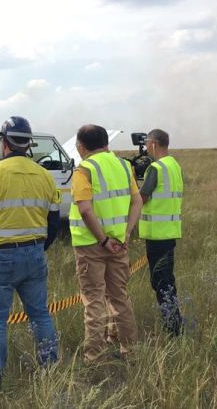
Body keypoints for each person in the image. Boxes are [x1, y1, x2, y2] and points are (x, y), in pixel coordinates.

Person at [0, 116, 61, 390]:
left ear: (5, 142)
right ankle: (50, 369)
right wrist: (40, 247)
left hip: (1, 257)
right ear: (28, 143)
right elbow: (53, 221)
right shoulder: (44, 175)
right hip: (34, 254)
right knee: (40, 315)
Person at [69, 124, 142, 362]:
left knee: (94, 300)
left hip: (92, 245)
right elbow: (137, 201)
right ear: (106, 143)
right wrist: (127, 233)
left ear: (81, 147)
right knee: (119, 297)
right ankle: (129, 350)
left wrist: (102, 240)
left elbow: (85, 209)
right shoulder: (124, 165)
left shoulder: (84, 170)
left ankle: (94, 356)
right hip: (119, 244)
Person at [138, 129, 184, 336]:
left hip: (157, 234)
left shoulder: (156, 168)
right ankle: (174, 324)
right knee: (166, 280)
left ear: (154, 143)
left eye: (147, 143)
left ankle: (173, 327)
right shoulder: (174, 165)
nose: (146, 146)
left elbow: (143, 197)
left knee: (161, 282)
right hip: (169, 232)